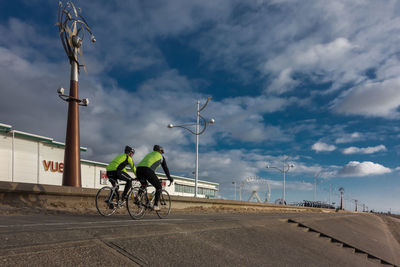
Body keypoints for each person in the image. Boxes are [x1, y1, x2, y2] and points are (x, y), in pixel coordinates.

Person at [136, 145, 173, 211]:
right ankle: (155, 205)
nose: (162, 153)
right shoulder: (161, 157)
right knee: (159, 187)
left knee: (144, 184)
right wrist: (169, 177)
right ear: (160, 151)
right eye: (162, 152)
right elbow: (165, 168)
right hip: (147, 170)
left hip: (138, 169)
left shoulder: (149, 154)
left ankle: (138, 196)